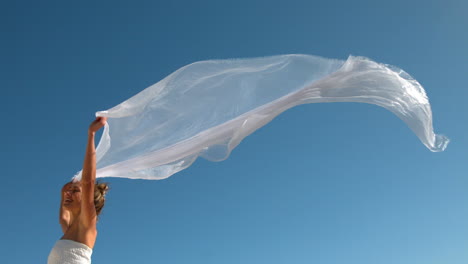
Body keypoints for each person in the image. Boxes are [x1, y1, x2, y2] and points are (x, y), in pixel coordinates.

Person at [48, 117, 109, 264]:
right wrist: (69, 187)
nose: (68, 193)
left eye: (75, 191)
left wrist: (91, 135)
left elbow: (88, 182)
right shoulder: (69, 229)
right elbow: (63, 211)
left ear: (88, 200)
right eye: (71, 190)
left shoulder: (87, 225)